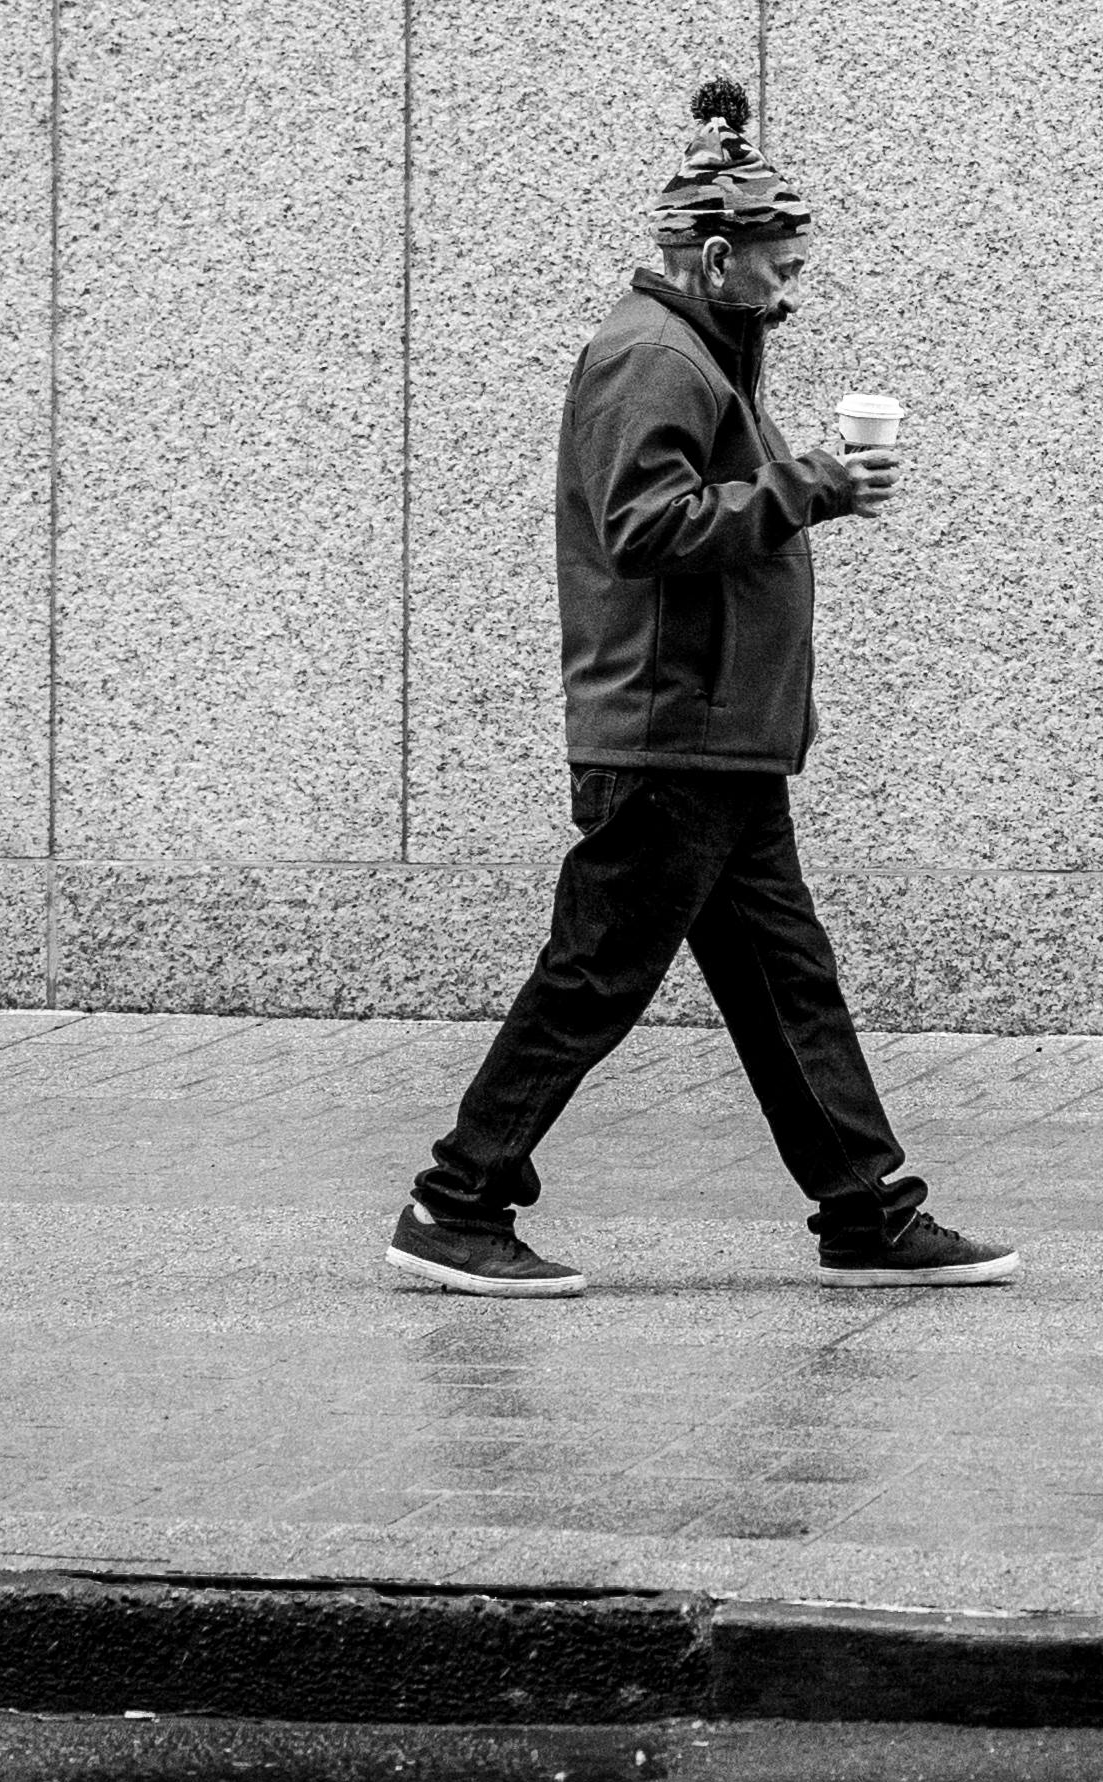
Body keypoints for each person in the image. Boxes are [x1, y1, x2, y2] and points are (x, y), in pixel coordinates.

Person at [388, 76, 1014, 1298]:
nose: (792, 287)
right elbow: (645, 525)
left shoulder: (706, 355)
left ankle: (865, 1208)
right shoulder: (651, 360)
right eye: (778, 266)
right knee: (594, 975)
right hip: (670, 734)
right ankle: (456, 1200)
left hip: (720, 738)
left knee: (786, 981)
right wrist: (814, 485)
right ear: (717, 256)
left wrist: (808, 480)